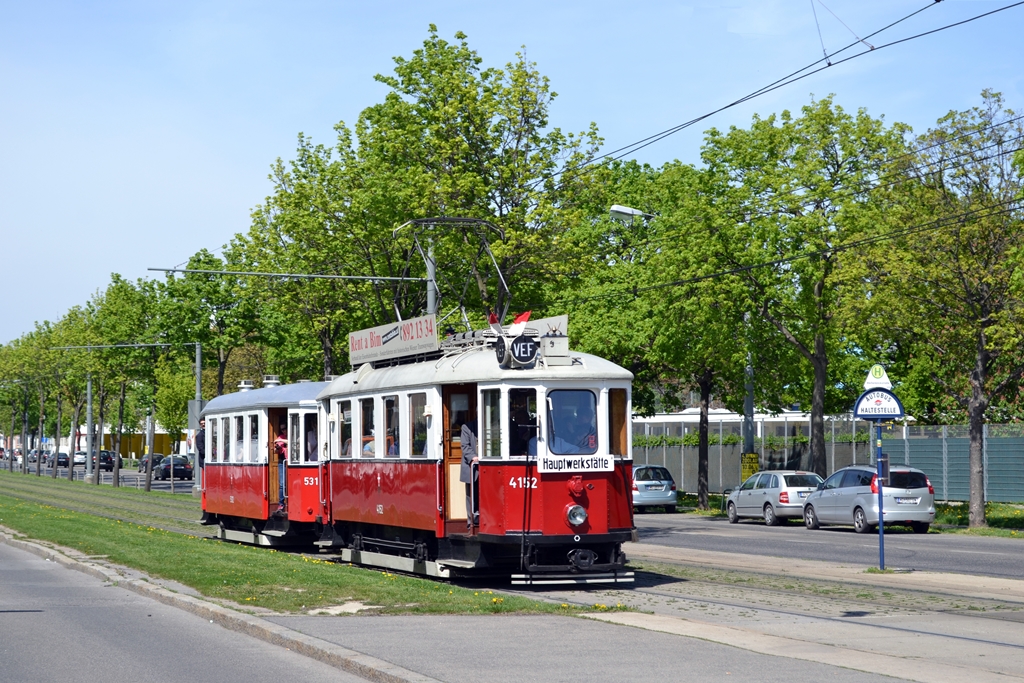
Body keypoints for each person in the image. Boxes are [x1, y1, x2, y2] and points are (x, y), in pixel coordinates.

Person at [458, 417, 479, 528]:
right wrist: (473, 457)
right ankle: (472, 521)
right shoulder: (466, 427)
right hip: (472, 467)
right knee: (471, 495)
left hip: (487, 468)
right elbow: (465, 446)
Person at [274, 422, 288, 512]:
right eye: (281, 429)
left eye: (284, 428)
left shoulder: (292, 434)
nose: (283, 431)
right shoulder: (280, 437)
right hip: (282, 462)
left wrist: (282, 441)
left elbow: (290, 442)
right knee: (282, 484)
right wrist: (277, 448)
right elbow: (275, 451)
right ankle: (281, 504)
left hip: (291, 462)